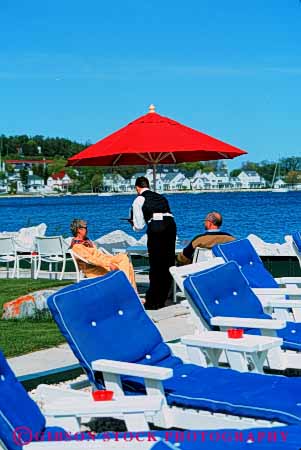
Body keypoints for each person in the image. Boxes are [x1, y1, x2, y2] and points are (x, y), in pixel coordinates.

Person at [131, 176, 177, 310]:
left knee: (156, 264)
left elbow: (139, 226)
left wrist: (133, 225)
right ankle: (164, 298)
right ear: (148, 185)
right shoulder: (161, 197)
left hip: (157, 227)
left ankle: (153, 301)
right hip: (171, 225)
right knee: (168, 262)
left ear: (137, 188)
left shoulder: (139, 199)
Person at [70, 219, 137, 291]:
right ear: (79, 230)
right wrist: (109, 264)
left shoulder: (87, 241)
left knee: (123, 257)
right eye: (85, 228)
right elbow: (92, 260)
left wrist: (112, 259)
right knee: (124, 265)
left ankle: (129, 290)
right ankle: (128, 291)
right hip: (95, 268)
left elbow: (99, 255)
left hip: (103, 261)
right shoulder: (77, 246)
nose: (87, 230)